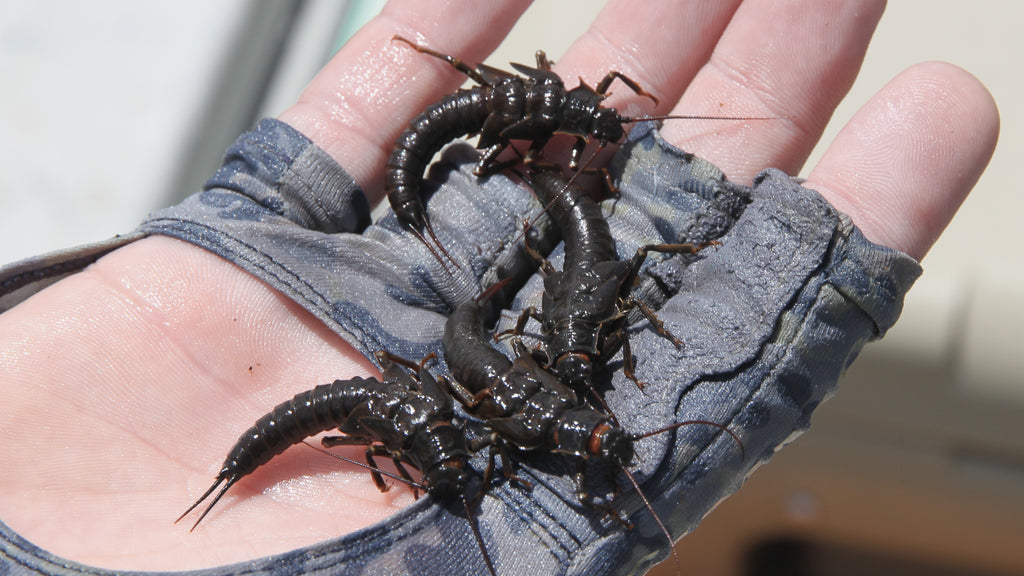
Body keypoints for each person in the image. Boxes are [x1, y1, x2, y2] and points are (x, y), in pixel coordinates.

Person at [0, 1, 998, 575]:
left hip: (508, 315)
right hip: (488, 317)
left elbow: (513, 381)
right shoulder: (490, 397)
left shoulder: (510, 390)